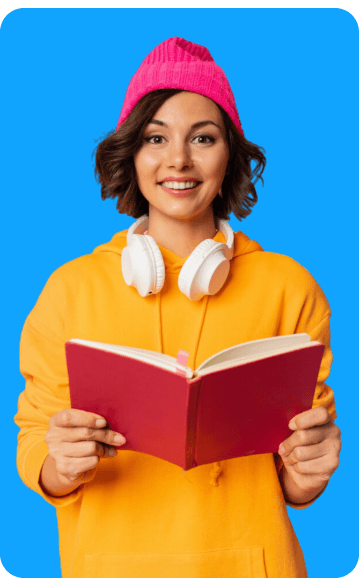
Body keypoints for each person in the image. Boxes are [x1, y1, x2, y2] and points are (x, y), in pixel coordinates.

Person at [14, 37, 341, 578]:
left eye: (203, 138)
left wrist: (309, 473)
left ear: (229, 155)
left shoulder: (290, 288)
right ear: (132, 155)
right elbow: (33, 442)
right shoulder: (69, 290)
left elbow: (296, 471)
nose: (178, 160)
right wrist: (58, 466)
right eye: (155, 138)